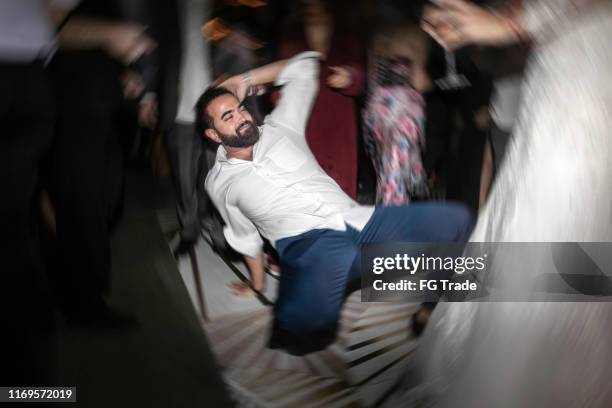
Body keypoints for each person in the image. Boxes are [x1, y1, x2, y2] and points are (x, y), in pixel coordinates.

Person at [399, 0, 612, 406]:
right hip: (548, 73)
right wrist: (483, 21)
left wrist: (511, 23)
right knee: (520, 206)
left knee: (567, 211)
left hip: (590, 72)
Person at [195, 51, 475, 355]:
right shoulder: (219, 183)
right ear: (213, 134)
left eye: (239, 109)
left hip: (360, 222)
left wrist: (243, 80)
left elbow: (305, 68)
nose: (242, 117)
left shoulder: (279, 128)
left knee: (457, 220)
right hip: (308, 247)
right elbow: (245, 236)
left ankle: (427, 307)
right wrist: (257, 284)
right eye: (228, 117)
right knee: (300, 335)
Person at [274, 0, 365, 199]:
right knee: (306, 182)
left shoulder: (346, 31)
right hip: (305, 116)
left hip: (338, 113)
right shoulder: (292, 33)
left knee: (340, 180)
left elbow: (361, 73)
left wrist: (350, 76)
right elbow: (281, 74)